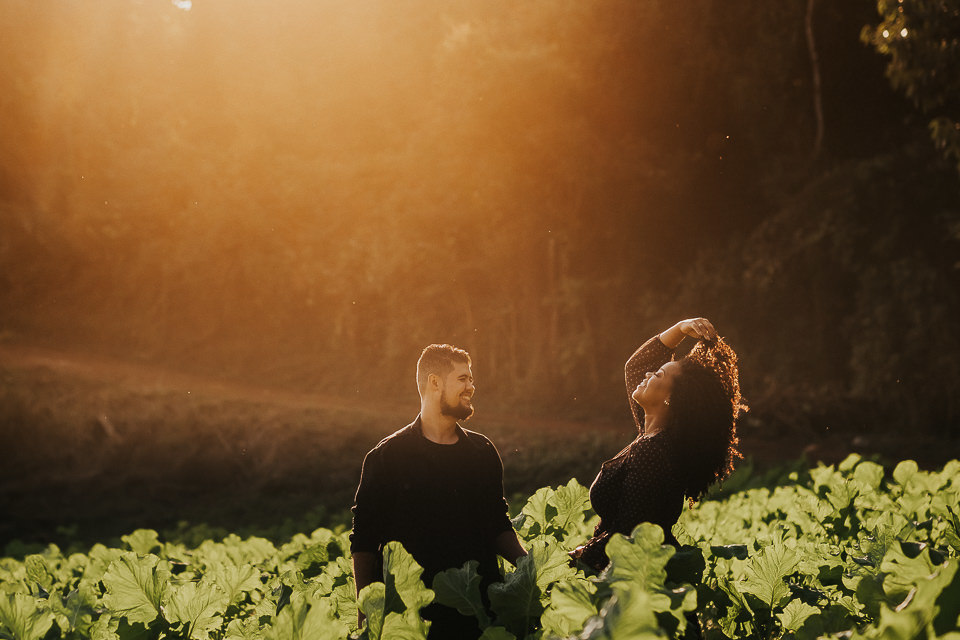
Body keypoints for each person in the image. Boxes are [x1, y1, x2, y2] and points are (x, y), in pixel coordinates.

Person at [351, 344, 527, 640]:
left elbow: (497, 524)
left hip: (478, 615)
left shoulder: (482, 452)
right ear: (434, 382)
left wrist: (529, 566)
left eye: (471, 379)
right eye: (462, 379)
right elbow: (365, 541)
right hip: (413, 619)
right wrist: (366, 613)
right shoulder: (387, 457)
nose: (471, 387)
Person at [569, 317, 744, 571]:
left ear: (670, 399)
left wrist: (582, 556)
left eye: (658, 374)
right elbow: (637, 366)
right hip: (626, 562)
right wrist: (682, 327)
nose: (648, 374)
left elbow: (629, 533)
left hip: (634, 571)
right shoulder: (651, 434)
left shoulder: (652, 451)